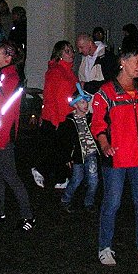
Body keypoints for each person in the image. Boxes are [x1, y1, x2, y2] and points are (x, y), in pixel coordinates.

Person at [91, 43, 138, 266]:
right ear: (123, 62)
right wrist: (105, 145)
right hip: (117, 157)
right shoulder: (106, 92)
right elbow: (97, 123)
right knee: (112, 203)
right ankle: (105, 247)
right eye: (137, 61)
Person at [0, 40, 35, 230]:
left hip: (1, 136)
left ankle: (28, 216)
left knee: (10, 176)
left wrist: (2, 138)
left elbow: (9, 112)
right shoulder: (3, 77)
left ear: (9, 57)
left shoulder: (11, 79)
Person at [30, 40, 77, 190]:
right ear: (59, 54)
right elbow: (52, 97)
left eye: (71, 50)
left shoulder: (68, 71)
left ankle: (59, 178)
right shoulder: (56, 71)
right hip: (56, 117)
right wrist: (56, 120)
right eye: (67, 51)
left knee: (60, 150)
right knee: (58, 150)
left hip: (67, 115)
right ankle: (43, 171)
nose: (71, 53)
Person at [56, 85, 99, 214]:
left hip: (91, 153)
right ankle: (65, 199)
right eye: (82, 102)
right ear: (75, 105)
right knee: (76, 179)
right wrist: (67, 157)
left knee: (93, 180)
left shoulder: (91, 118)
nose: (85, 105)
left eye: (86, 102)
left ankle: (89, 202)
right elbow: (64, 142)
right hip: (77, 156)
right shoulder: (69, 121)